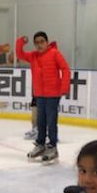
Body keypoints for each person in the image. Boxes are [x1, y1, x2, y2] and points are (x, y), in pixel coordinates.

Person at [17, 32, 70, 164]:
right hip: (40, 94)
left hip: (53, 94)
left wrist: (64, 87)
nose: (39, 45)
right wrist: (21, 42)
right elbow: (20, 54)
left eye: (42, 42)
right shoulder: (33, 56)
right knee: (41, 121)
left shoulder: (54, 53)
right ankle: (40, 144)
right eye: (37, 43)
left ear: (47, 42)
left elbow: (65, 68)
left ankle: (52, 147)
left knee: (51, 121)